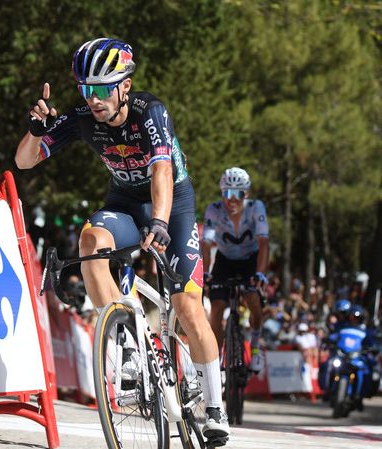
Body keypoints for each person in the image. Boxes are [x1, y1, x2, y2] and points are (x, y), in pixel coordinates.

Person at [14, 38, 229, 443]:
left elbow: (162, 172)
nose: (92, 99)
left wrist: (162, 223)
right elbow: (24, 161)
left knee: (186, 306)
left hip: (172, 204)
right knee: (90, 242)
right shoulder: (83, 118)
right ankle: (128, 346)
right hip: (125, 203)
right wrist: (34, 131)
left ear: (124, 86)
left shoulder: (152, 112)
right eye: (84, 89)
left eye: (100, 89)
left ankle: (216, 407)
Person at [202, 167, 269, 373]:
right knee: (217, 308)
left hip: (250, 260)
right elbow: (205, 244)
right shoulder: (214, 209)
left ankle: (256, 349)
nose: (231, 199)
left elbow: (264, 242)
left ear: (245, 194)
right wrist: (205, 273)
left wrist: (260, 274)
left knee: (253, 301)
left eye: (237, 194)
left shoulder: (256, 208)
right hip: (225, 260)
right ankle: (218, 357)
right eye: (227, 193)